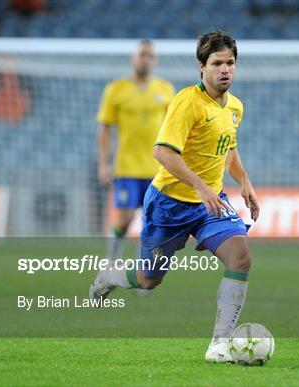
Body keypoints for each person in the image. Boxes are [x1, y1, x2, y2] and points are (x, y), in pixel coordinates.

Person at [90, 29, 259, 363]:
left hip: (211, 204)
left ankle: (219, 345)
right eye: (217, 63)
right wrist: (199, 185)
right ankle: (109, 276)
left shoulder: (235, 107)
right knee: (148, 279)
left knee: (241, 258)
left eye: (230, 63)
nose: (225, 69)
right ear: (202, 67)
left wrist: (245, 182)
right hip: (169, 204)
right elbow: (163, 153)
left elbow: (229, 150)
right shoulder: (186, 101)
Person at [96, 39, 175, 264]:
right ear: (134, 58)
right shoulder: (116, 89)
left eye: (150, 56)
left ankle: (145, 270)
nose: (146, 59)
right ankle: (112, 260)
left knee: (153, 222)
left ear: (155, 61)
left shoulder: (165, 89)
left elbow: (175, 128)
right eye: (142, 55)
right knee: (125, 219)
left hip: (158, 170)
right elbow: (104, 128)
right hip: (127, 168)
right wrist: (103, 164)